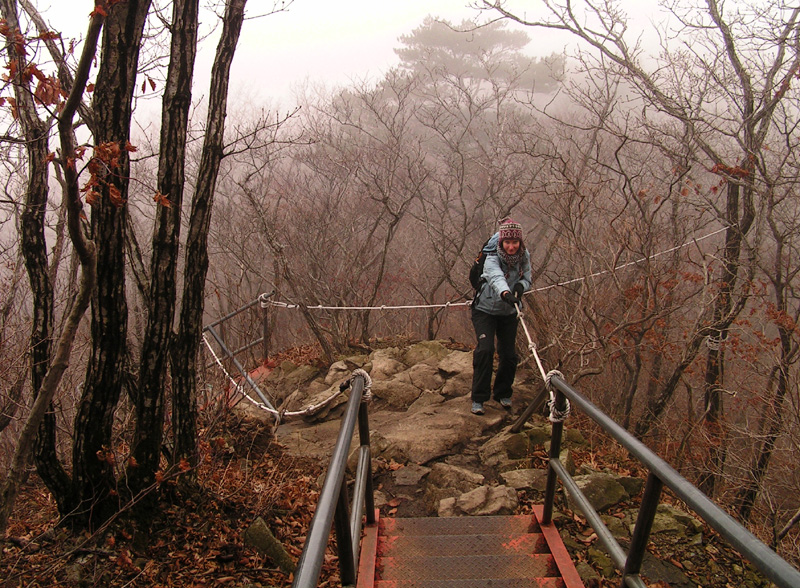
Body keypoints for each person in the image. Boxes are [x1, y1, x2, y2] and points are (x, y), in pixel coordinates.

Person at [470, 218, 532, 415]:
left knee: (509, 355)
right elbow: (495, 277)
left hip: (509, 311)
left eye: (515, 243)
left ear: (520, 243)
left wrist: (521, 287)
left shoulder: (524, 256)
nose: (511, 247)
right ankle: (479, 398)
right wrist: (506, 294)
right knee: (485, 351)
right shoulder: (492, 257)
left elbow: (527, 277)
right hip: (484, 309)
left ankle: (503, 393)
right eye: (508, 243)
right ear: (501, 242)